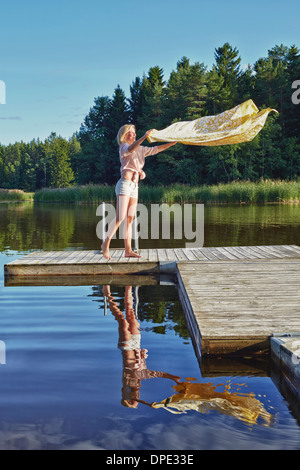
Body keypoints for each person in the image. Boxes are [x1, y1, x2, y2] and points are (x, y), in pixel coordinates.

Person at [101, 124, 177, 259]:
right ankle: (105, 244)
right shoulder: (123, 146)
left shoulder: (141, 149)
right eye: (131, 132)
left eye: (135, 132)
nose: (134, 134)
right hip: (124, 185)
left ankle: (128, 250)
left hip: (135, 187)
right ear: (125, 135)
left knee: (130, 218)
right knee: (120, 217)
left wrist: (173, 143)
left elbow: (157, 149)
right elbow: (131, 148)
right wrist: (144, 136)